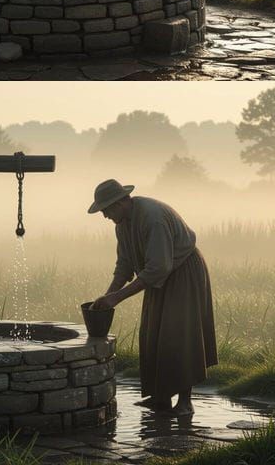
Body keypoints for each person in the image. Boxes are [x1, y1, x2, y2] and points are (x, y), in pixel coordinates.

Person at [88, 179, 216, 417]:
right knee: (153, 333)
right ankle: (161, 398)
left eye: (106, 210)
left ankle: (185, 403)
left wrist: (118, 297)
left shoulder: (152, 218)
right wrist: (107, 296)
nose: (105, 216)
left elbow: (159, 267)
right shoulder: (122, 224)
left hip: (182, 272)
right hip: (159, 276)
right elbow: (124, 265)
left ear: (121, 202)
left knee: (178, 335)